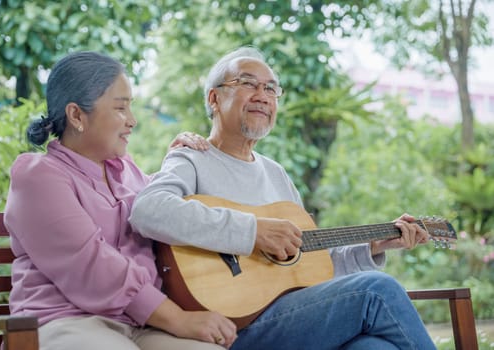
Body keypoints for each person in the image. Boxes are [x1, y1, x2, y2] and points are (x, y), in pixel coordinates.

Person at [129, 46, 437, 350]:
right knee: (378, 290)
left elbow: (310, 264)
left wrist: (373, 246)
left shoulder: (276, 174)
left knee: (374, 348)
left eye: (271, 89)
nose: (262, 95)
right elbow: (149, 210)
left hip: (294, 318)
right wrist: (253, 232)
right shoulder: (192, 157)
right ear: (214, 97)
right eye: (248, 83)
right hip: (237, 326)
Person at [3, 51, 229, 350]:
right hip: (66, 322)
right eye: (121, 108)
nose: (132, 121)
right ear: (76, 115)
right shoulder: (37, 176)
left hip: (139, 326)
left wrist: (181, 161)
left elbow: (169, 211)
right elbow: (93, 266)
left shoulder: (129, 172)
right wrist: (179, 319)